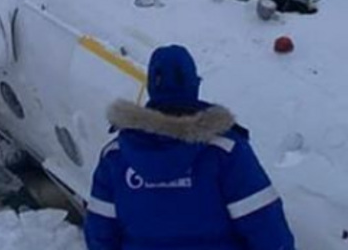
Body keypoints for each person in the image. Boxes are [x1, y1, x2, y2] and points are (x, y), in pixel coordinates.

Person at [84, 44, 296, 250]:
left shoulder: (116, 155)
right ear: (194, 84)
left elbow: (100, 233)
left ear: (151, 87)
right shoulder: (225, 151)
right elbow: (265, 226)